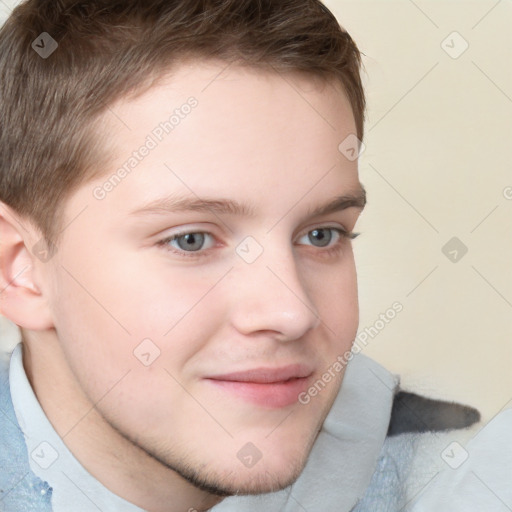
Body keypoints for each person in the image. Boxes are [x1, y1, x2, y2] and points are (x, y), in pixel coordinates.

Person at [0, 1, 479, 511]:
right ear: (21, 269)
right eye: (192, 240)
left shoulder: (455, 475)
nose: (291, 313)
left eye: (321, 235)